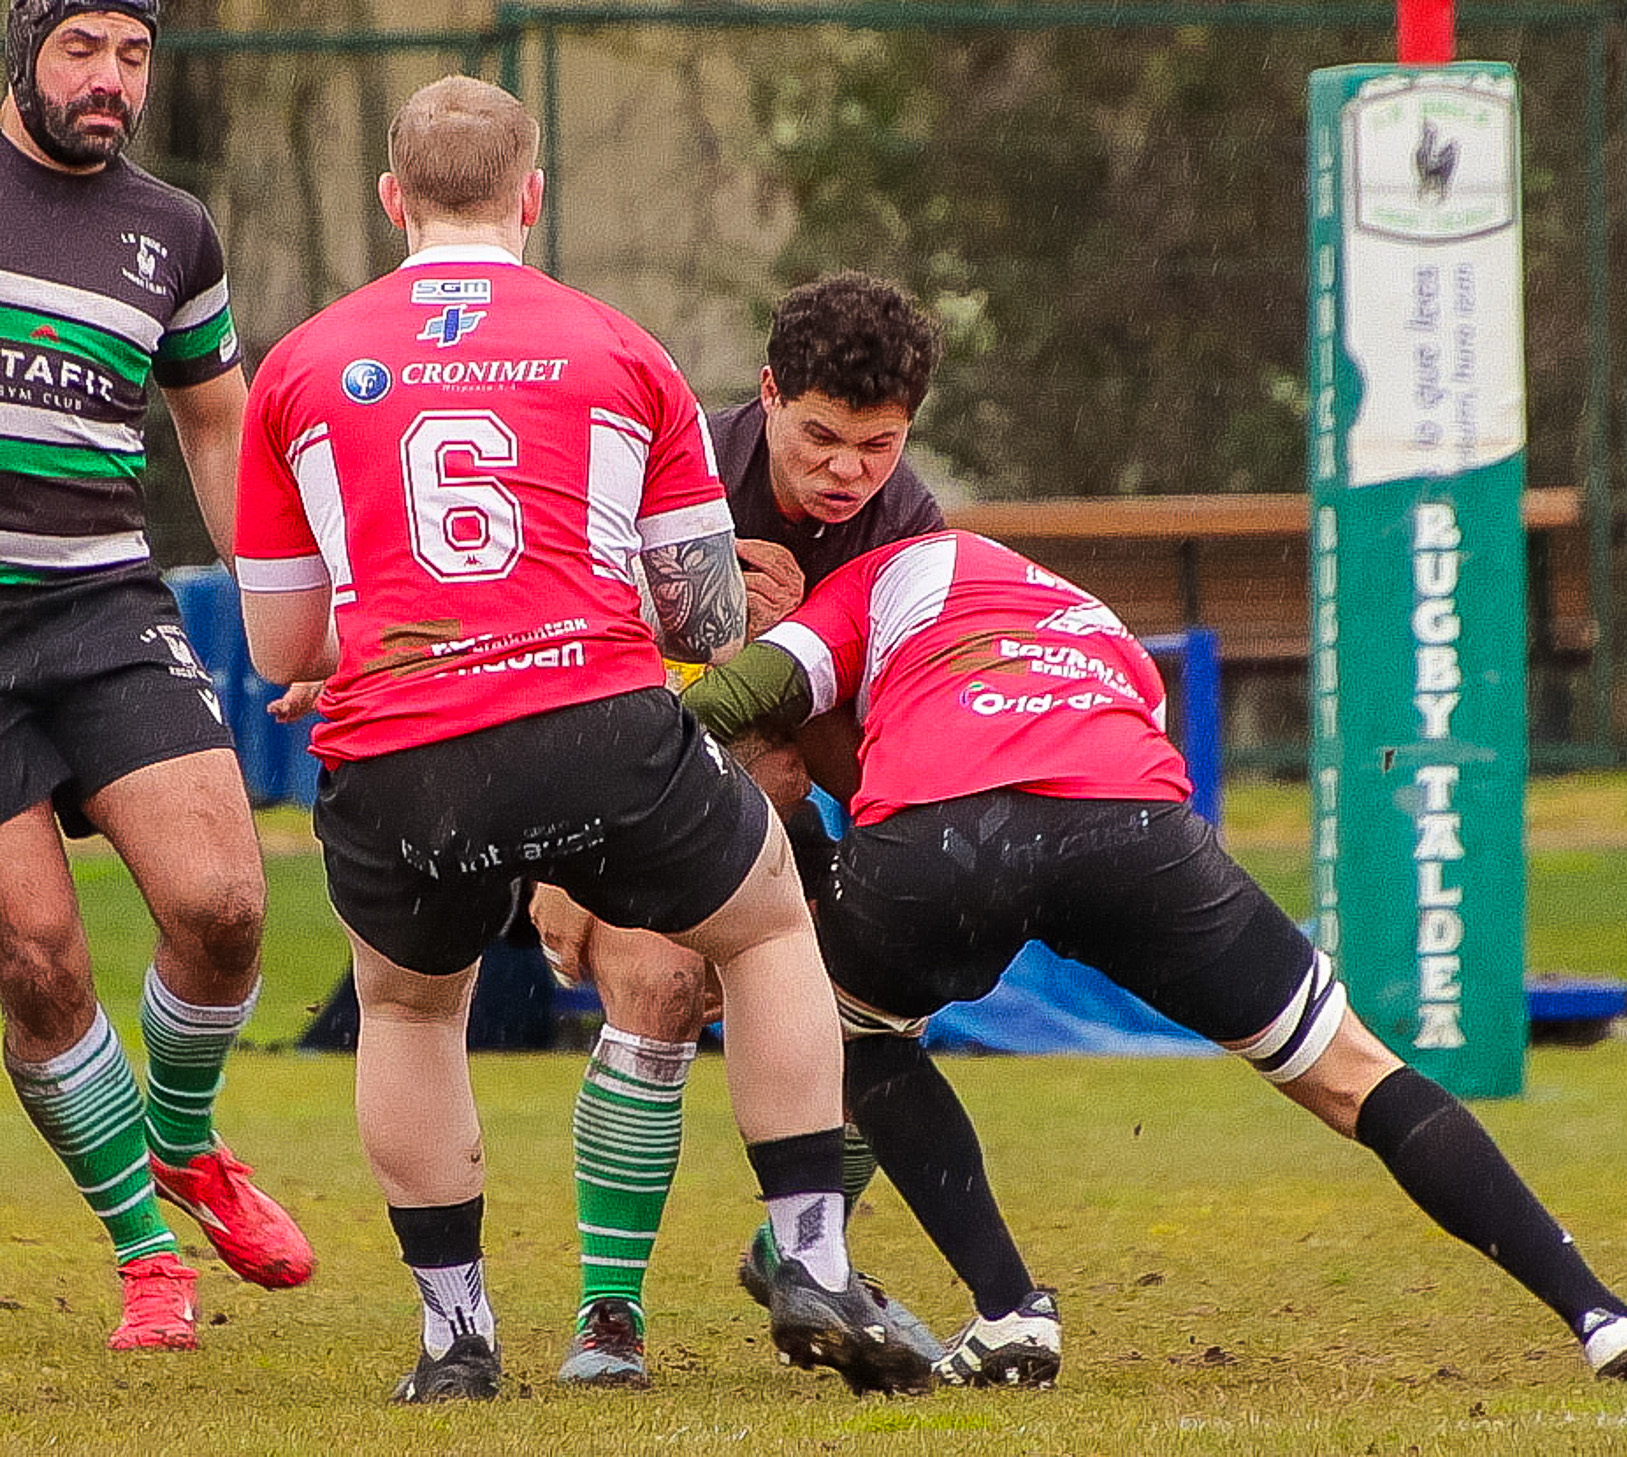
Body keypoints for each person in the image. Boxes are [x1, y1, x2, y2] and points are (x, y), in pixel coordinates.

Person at [233, 75, 931, 1403]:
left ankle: (455, 1341)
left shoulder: (305, 365)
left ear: (392, 201)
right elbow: (700, 615)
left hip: (402, 750)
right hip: (595, 722)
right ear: (530, 197)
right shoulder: (619, 347)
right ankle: (812, 1257)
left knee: (407, 1007)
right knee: (772, 928)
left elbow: (280, 650)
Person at [679, 528, 1627, 1390]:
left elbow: (735, 701)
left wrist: (618, 786)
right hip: (1132, 828)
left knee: (853, 1025)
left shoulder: (873, 579)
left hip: (946, 837)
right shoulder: (1102, 631)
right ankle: (1604, 1314)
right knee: (1356, 1074)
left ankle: (1009, 1313)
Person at [529, 271, 948, 1388]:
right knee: (659, 987)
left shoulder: (908, 535)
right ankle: (608, 1311)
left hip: (792, 818)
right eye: (821, 436)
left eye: (880, 442)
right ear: (766, 394)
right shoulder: (670, 477)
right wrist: (560, 866)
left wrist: (800, 654)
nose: (849, 470)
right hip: (626, 813)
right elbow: (570, 669)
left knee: (892, 990)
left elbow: (873, 765)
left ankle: (797, 1251)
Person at [0, 0, 315, 1353]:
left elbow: (215, 416)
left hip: (105, 606)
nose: (109, 80)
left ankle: (184, 1137)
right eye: (81, 49)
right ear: (22, 51)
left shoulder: (175, 229)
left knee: (225, 902)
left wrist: (282, 614)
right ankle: (144, 1253)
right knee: (37, 961)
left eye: (133, 55)